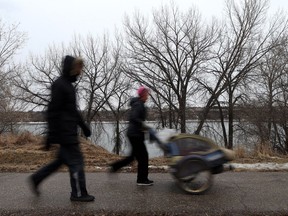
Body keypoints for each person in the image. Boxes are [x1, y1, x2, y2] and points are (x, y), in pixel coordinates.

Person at [29, 55, 95, 202]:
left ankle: (36, 178)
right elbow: (53, 111)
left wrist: (84, 127)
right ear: (71, 68)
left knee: (61, 161)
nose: (81, 71)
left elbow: (73, 111)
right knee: (77, 162)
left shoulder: (68, 86)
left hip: (68, 131)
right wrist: (50, 136)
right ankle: (78, 194)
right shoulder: (60, 85)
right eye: (78, 67)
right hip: (65, 133)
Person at [110, 86, 153, 186]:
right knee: (143, 157)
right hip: (135, 135)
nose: (148, 96)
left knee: (132, 157)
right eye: (146, 94)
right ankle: (142, 180)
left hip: (134, 134)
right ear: (142, 94)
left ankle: (115, 167)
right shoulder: (139, 105)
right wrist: (143, 124)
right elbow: (134, 117)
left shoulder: (139, 104)